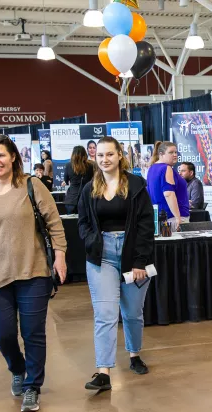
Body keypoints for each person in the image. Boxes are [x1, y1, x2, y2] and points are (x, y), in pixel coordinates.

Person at [0, 135, 67, 412]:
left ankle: (32, 386)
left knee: (34, 333)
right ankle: (17, 369)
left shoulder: (31, 186)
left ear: (13, 157)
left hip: (33, 272)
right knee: (3, 334)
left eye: (1, 155)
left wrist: (60, 256)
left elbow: (54, 223)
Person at [77, 137, 155, 391]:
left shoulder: (136, 185)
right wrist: (92, 242)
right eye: (100, 155)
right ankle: (103, 372)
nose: (104, 159)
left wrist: (140, 261)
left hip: (133, 255)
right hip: (102, 256)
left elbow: (145, 225)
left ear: (120, 155)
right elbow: (83, 223)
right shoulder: (89, 188)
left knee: (132, 313)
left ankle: (134, 354)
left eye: (109, 154)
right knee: (105, 314)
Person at [146, 142, 189, 230]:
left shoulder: (152, 168)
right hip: (174, 218)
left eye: (176, 152)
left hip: (161, 218)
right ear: (161, 154)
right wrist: (177, 217)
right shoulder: (166, 168)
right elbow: (168, 194)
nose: (175, 155)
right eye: (171, 152)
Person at [62, 145, 95, 214]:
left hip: (71, 200)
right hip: (86, 199)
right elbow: (93, 180)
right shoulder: (90, 166)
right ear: (85, 154)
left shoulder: (68, 165)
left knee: (71, 223)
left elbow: (66, 180)